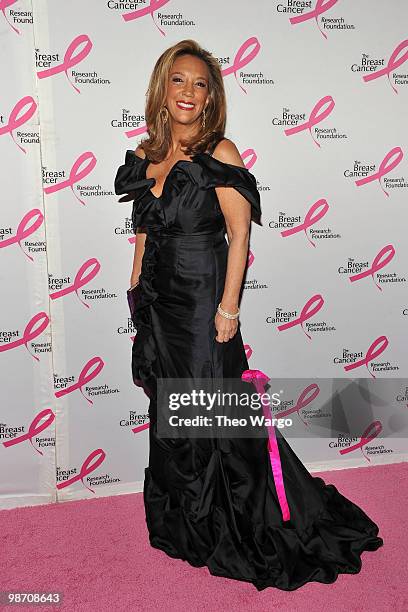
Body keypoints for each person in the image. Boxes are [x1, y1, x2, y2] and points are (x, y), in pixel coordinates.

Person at [114, 39, 383, 591]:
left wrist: (229, 308)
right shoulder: (145, 155)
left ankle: (231, 520)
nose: (189, 92)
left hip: (201, 302)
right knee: (173, 407)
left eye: (200, 84)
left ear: (210, 97)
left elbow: (239, 236)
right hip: (158, 304)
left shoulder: (222, 153)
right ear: (162, 89)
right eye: (179, 81)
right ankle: (187, 522)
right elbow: (143, 229)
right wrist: (135, 288)